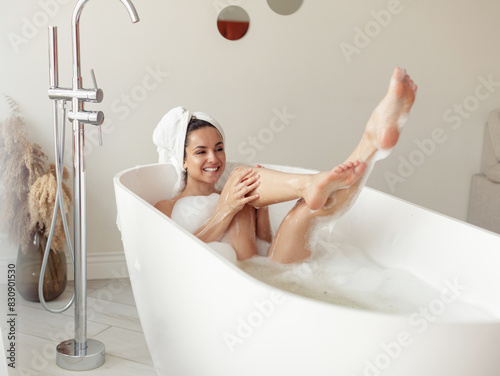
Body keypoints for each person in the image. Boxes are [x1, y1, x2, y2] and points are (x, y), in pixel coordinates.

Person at [154, 67, 417, 264]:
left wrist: (260, 208)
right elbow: (178, 258)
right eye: (201, 152)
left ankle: (371, 143)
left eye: (219, 148)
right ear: (183, 160)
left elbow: (264, 245)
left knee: (306, 211)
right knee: (241, 178)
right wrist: (226, 209)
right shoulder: (166, 207)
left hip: (268, 273)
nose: (214, 158)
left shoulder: (233, 193)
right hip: (240, 281)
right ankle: (324, 174)